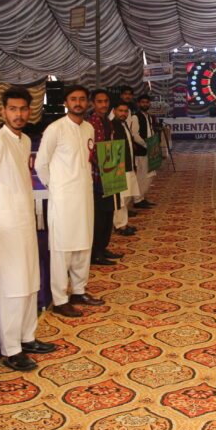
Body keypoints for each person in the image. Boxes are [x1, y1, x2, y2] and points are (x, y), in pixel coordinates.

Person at [0, 87, 55, 373]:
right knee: (11, 288)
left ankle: (27, 336)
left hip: (24, 222)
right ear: (3, 111)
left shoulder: (23, 141)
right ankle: (11, 349)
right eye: (13, 109)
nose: (18, 114)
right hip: (4, 224)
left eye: (23, 109)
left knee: (29, 282)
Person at [35, 85, 105, 318]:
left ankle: (78, 290)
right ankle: (60, 299)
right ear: (65, 103)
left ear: (87, 103)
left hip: (84, 195)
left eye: (82, 99)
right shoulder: (55, 129)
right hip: (63, 198)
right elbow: (41, 164)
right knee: (62, 249)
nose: (78, 103)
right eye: (73, 99)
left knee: (83, 245)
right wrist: (55, 187)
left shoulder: (88, 128)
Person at [87, 89, 123, 266]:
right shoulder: (90, 124)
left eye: (106, 101)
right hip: (96, 178)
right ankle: (96, 253)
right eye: (99, 101)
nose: (103, 105)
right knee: (98, 217)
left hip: (110, 175)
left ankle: (103, 247)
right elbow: (90, 151)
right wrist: (104, 166)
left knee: (109, 213)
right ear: (93, 104)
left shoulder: (107, 121)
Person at [111, 100, 140, 237]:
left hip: (128, 165)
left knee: (126, 197)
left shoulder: (124, 124)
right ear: (114, 111)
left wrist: (133, 165)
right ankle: (119, 225)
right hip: (119, 168)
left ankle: (124, 222)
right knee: (120, 199)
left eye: (125, 111)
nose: (123, 113)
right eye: (120, 111)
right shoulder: (112, 126)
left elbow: (129, 147)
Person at [129, 94, 157, 208]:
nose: (145, 104)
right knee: (141, 175)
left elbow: (151, 131)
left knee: (149, 175)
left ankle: (142, 197)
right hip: (141, 151)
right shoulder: (135, 117)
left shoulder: (149, 116)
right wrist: (146, 145)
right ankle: (137, 200)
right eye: (143, 102)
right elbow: (135, 135)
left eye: (147, 102)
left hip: (150, 149)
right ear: (138, 104)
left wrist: (153, 144)